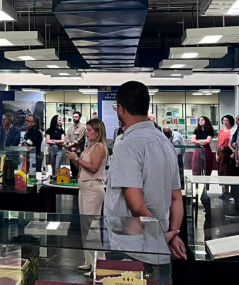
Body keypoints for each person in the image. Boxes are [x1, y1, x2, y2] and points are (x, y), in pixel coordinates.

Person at [104, 81, 186, 260]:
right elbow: (176, 197)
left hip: (132, 245)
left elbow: (137, 206)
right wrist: (173, 233)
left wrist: (160, 236)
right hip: (161, 241)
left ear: (121, 109)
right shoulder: (165, 142)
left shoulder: (127, 144)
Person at [67, 118, 109, 270]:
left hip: (92, 189)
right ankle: (90, 261)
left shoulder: (99, 147)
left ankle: (99, 262)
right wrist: (74, 158)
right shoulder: (89, 146)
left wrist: (77, 158)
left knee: (92, 227)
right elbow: (83, 167)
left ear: (97, 132)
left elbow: (93, 167)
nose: (87, 133)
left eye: (90, 131)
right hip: (85, 188)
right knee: (85, 226)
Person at [64, 111, 87, 180]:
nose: (74, 118)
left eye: (76, 117)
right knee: (72, 168)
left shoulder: (83, 128)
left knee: (79, 168)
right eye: (73, 117)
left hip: (78, 151)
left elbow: (80, 139)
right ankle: (73, 179)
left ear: (79, 118)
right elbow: (67, 137)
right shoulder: (70, 127)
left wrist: (72, 145)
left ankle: (79, 180)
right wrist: (69, 144)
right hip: (71, 151)